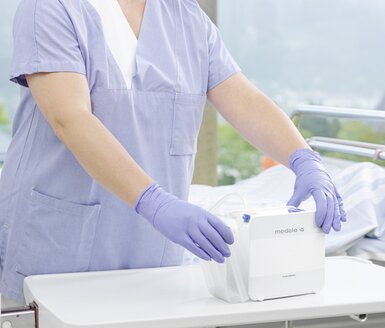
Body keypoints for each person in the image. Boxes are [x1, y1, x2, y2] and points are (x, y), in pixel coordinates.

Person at [0, 0, 346, 303]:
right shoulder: (52, 8)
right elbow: (70, 118)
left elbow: (243, 99)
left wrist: (304, 159)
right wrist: (155, 201)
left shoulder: (185, 17)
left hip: (150, 250)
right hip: (58, 243)